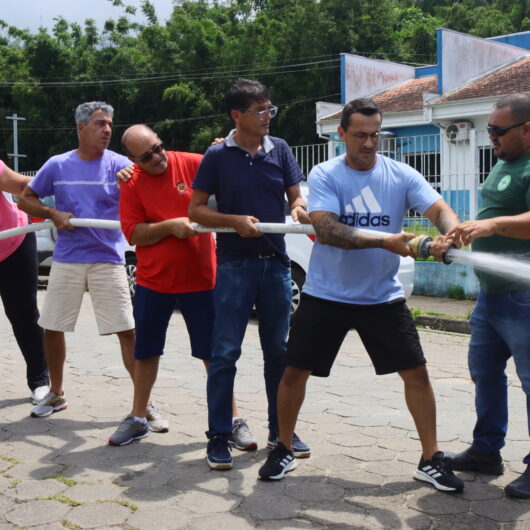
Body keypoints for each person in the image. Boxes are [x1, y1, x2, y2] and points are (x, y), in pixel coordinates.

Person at [258, 97, 465, 493]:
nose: (369, 144)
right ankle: (283, 446)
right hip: (326, 294)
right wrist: (389, 240)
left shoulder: (400, 174)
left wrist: (449, 233)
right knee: (294, 371)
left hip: (381, 297)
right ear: (342, 134)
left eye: (374, 135)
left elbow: (439, 209)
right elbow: (331, 230)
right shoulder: (326, 174)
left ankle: (430, 459)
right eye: (360, 136)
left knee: (417, 374)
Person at [17, 102, 167, 431]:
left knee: (128, 331)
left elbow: (161, 174)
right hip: (68, 257)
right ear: (81, 128)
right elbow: (25, 199)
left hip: (108, 258)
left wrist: (219, 147)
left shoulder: (121, 164)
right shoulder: (57, 165)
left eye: (110, 124)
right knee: (53, 327)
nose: (107, 130)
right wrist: (54, 214)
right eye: (100, 124)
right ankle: (56, 393)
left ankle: (145, 404)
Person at [188, 78, 311, 470]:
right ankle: (219, 437)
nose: (267, 117)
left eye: (270, 109)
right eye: (259, 111)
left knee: (279, 353)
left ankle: (282, 433)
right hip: (235, 267)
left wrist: (299, 208)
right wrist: (233, 221)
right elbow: (196, 211)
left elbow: (295, 194)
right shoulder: (217, 157)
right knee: (224, 354)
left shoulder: (282, 150)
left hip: (276, 266)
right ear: (236, 116)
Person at [109, 124, 250, 447]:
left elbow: (229, 172)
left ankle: (231, 421)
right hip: (152, 282)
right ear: (132, 159)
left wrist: (223, 149)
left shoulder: (191, 162)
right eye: (145, 156)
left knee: (215, 356)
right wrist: (170, 227)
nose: (157, 158)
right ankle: (138, 417)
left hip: (201, 281)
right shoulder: (131, 182)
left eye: (157, 148)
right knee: (146, 352)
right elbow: (133, 233)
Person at [444, 93, 530, 498]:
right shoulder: (504, 162)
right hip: (491, 297)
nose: (490, 136)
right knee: (485, 374)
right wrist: (467, 229)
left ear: (527, 129)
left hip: (524, 298)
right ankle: (486, 451)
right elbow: (493, 214)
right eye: (489, 129)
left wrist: (492, 225)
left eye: (498, 130)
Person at [0, 160, 49, 402]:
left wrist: (62, 187)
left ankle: (40, 381)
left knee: (23, 314)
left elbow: (21, 185)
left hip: (13, 242)